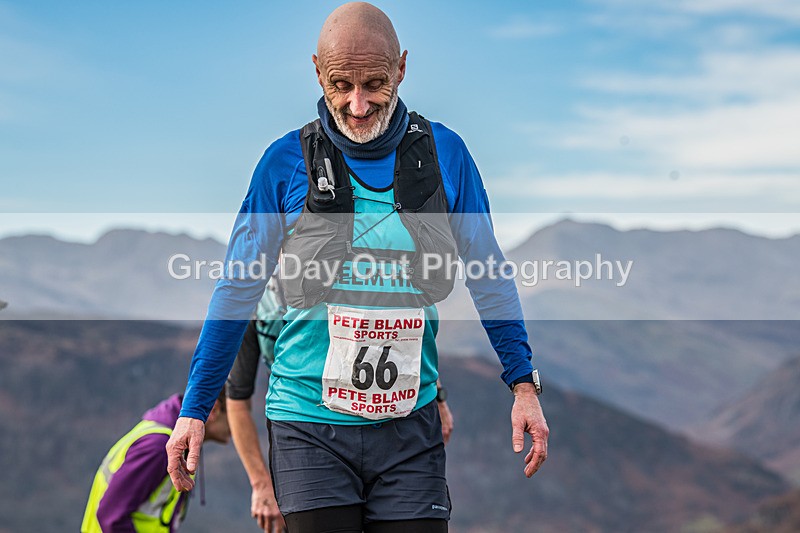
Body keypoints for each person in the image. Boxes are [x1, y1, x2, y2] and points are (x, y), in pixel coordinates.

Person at [167, 3, 548, 532]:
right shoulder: (284, 163)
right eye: (341, 85)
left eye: (375, 84)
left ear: (402, 68)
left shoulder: (447, 154)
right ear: (317, 72)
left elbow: (489, 275)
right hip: (307, 426)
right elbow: (236, 291)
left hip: (409, 427)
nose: (359, 104)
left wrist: (523, 385)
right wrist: (194, 409)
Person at [226, 280, 455, 531]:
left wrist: (438, 396)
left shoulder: (354, 269)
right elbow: (237, 399)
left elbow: (400, 334)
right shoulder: (258, 299)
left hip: (398, 424)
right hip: (307, 427)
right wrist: (261, 485)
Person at [82, 392, 230, 532]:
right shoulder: (158, 448)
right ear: (214, 410)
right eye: (237, 414)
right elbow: (111, 518)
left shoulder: (172, 443)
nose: (239, 423)